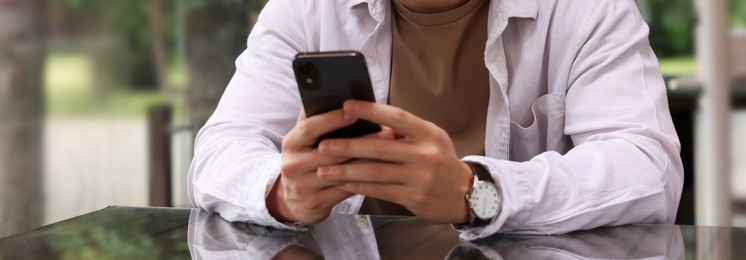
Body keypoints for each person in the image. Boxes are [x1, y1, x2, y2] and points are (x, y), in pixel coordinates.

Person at [188, 0, 684, 241]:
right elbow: (220, 148)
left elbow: (646, 169)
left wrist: (478, 193)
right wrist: (282, 192)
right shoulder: (307, 8)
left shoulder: (586, 9)